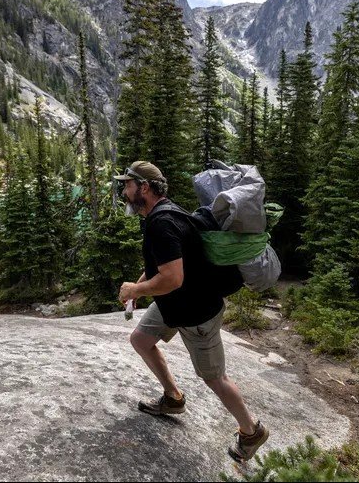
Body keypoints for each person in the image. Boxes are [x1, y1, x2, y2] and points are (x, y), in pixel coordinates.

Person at [115, 161, 269, 463]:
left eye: (127, 184)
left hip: (197, 312)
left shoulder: (161, 223)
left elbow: (173, 277)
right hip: (175, 302)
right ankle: (173, 399)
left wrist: (134, 290)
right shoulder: (162, 213)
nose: (123, 189)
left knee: (214, 378)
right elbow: (168, 265)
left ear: (143, 187)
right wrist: (141, 283)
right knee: (141, 340)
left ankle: (251, 431)